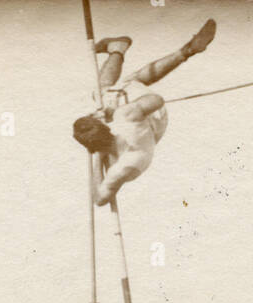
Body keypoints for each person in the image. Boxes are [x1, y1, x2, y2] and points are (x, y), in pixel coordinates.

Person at [73, 19, 217, 206]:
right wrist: (109, 110)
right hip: (147, 118)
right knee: (110, 90)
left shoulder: (120, 167)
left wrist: (97, 158)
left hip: (150, 132)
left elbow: (100, 199)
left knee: (121, 85)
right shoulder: (124, 118)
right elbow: (156, 100)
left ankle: (121, 47)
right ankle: (125, 48)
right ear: (105, 126)